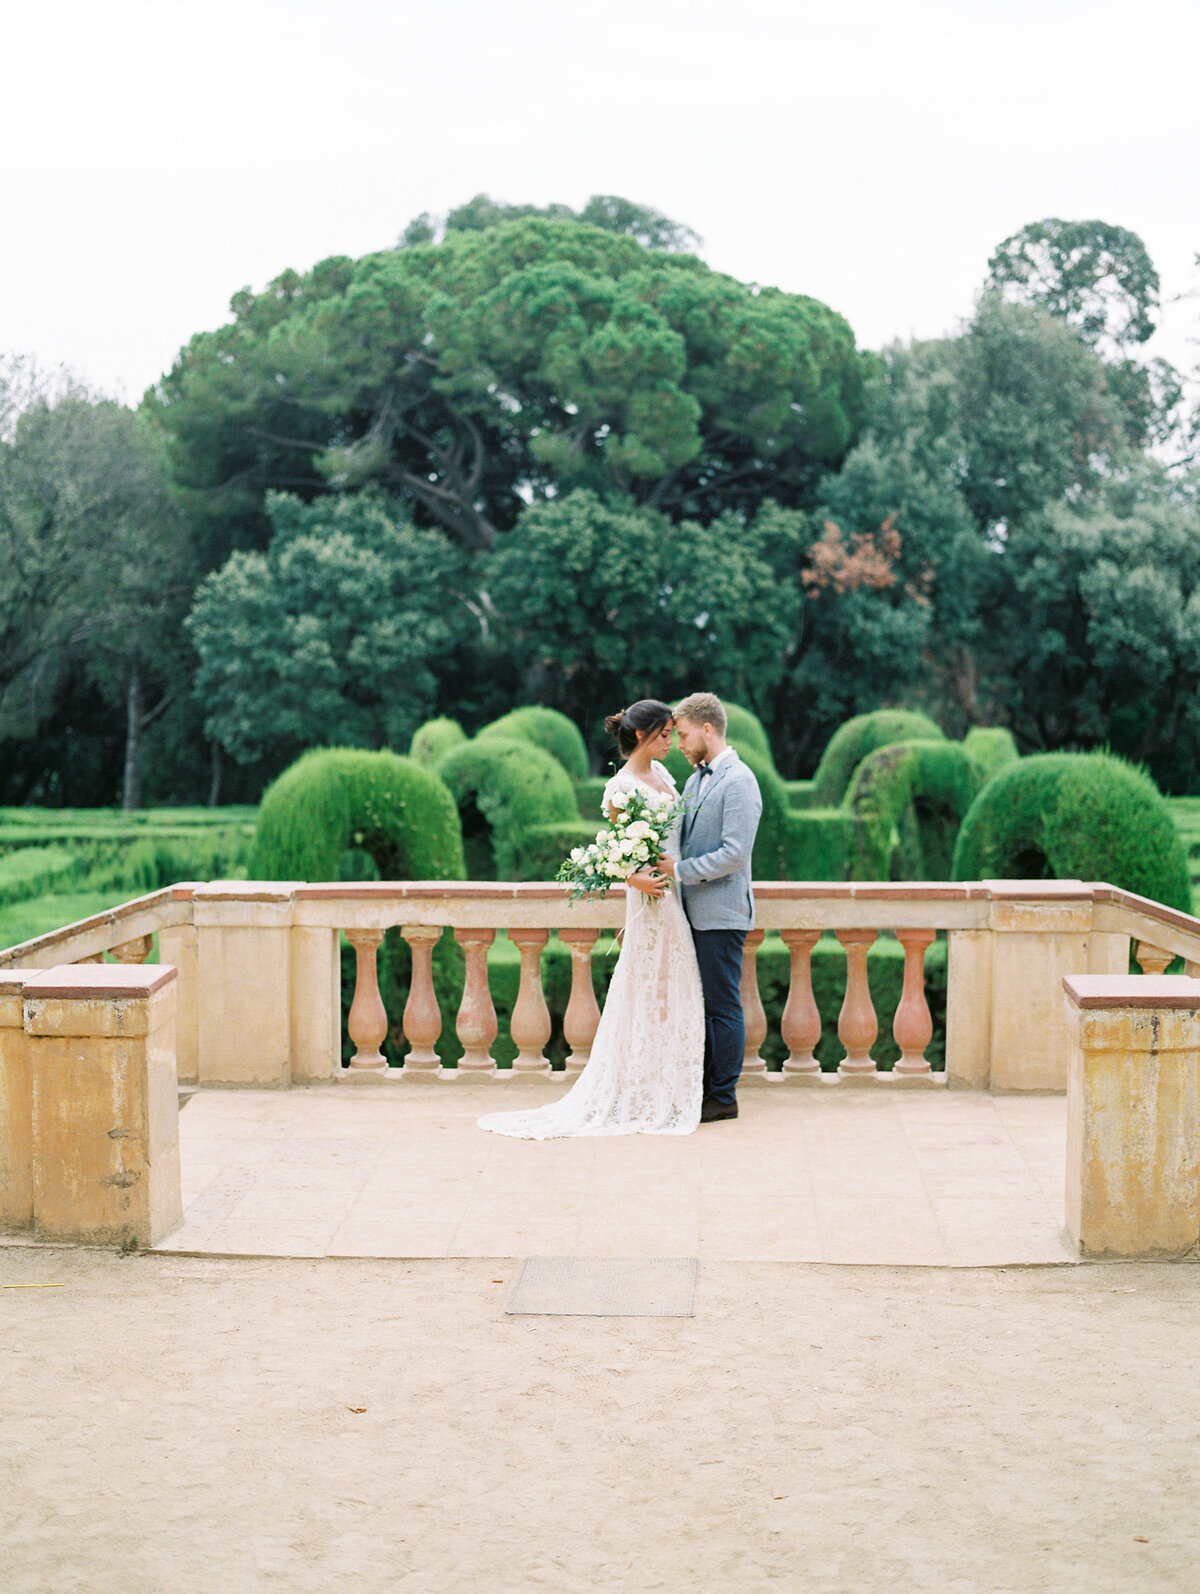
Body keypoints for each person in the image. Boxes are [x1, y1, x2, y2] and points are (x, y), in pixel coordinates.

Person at [477, 699, 705, 1138]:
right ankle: (640, 1091)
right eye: (662, 735)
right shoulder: (620, 787)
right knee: (646, 985)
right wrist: (636, 880)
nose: (669, 743)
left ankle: (670, 1085)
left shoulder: (664, 776)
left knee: (675, 987)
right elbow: (619, 852)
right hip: (650, 900)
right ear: (640, 735)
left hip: (676, 892)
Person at [655, 693, 762, 1122]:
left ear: (706, 729)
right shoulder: (697, 779)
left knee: (721, 1005)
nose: (678, 744)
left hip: (721, 913)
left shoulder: (740, 780)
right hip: (694, 913)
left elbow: (735, 854)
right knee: (702, 1005)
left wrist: (679, 871)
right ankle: (705, 1090)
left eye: (682, 735)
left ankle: (723, 1096)